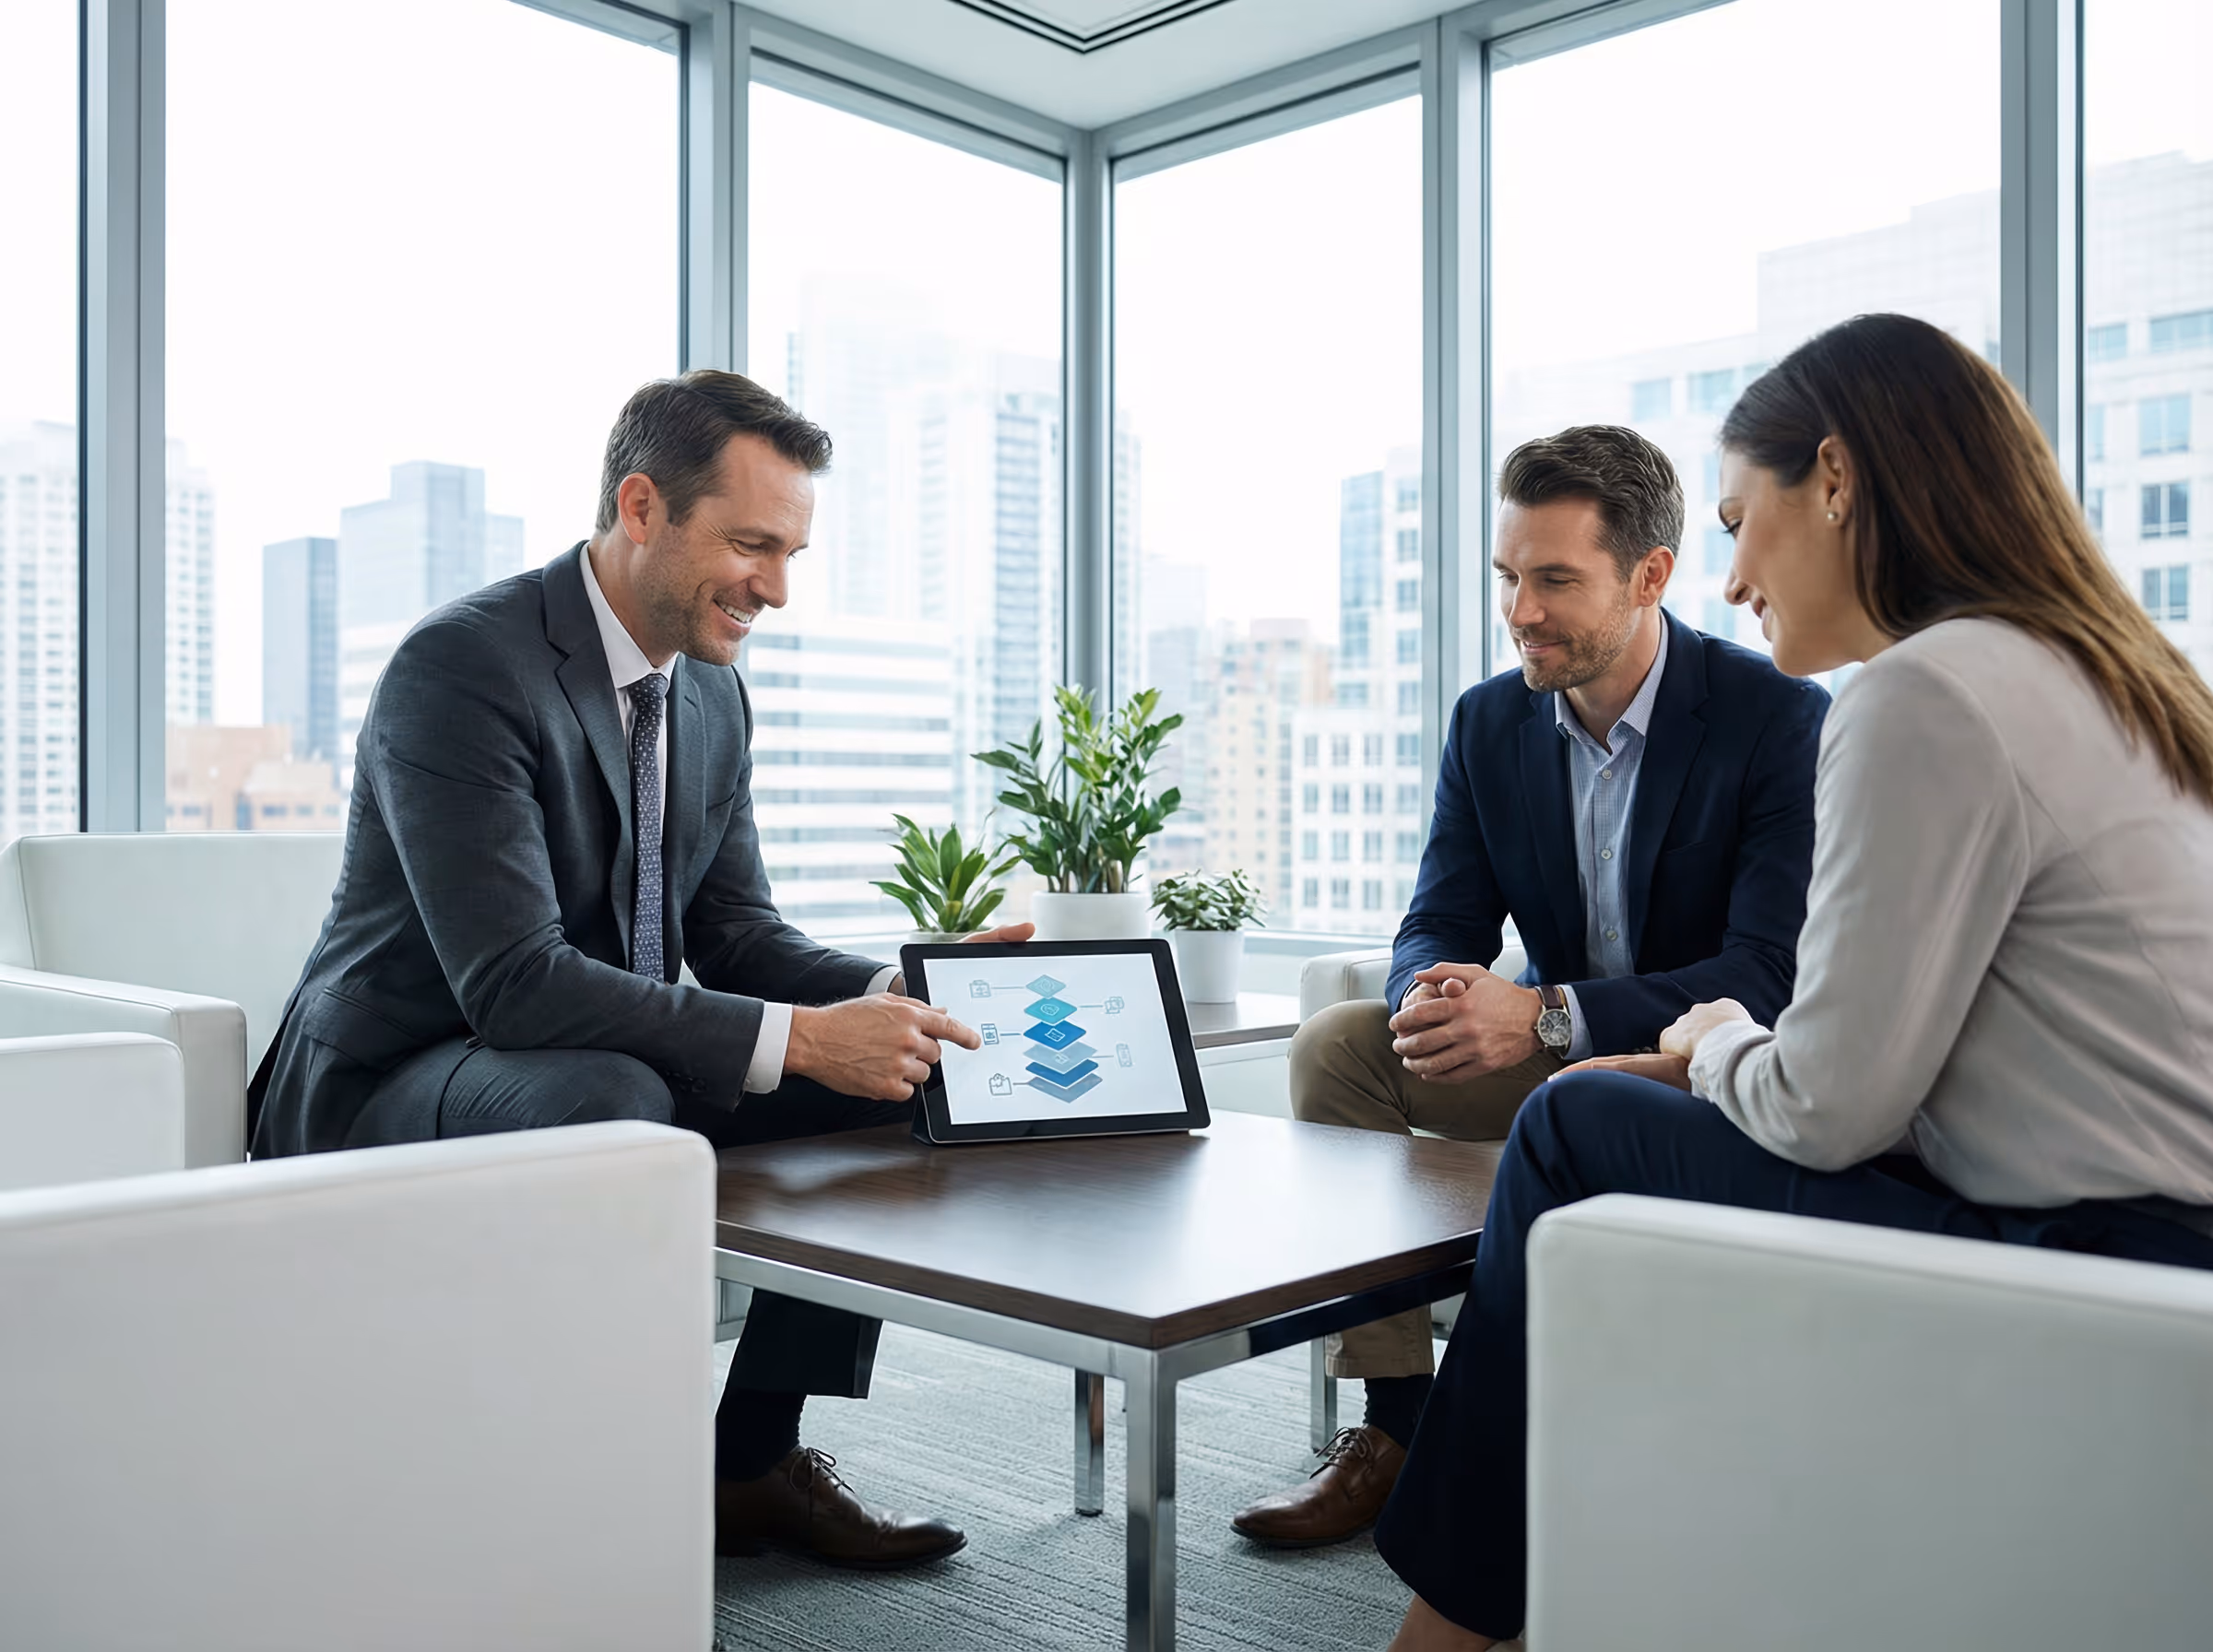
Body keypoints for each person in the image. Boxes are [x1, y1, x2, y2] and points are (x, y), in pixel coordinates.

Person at [1376, 313, 2213, 1651]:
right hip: (2157, 1225)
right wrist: (1710, 1055)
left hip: (2106, 1256)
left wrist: (1710, 1046)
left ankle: (1458, 1617)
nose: (1739, 573)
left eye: (1739, 520)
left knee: (1576, 1120)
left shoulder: (1921, 693)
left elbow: (1829, 1107)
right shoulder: (2106, 672)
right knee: (1598, 1094)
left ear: (1834, 480)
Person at [250, 370, 1033, 1571]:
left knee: (908, 1074)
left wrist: (892, 992)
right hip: (392, 1076)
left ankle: (749, 1461)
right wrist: (798, 1038)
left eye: (792, 553)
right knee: (619, 1101)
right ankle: (588, 1506)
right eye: (752, 545)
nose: (773, 587)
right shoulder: (463, 669)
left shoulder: (712, 687)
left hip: (605, 1053)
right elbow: (511, 982)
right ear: (641, 507)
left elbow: (737, 930)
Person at [1232, 424, 1828, 1549]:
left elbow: (1770, 974)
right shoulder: (1488, 719)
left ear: (1651, 575)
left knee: (1578, 1088)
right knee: (1342, 1045)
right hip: (1544, 1054)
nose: (1521, 612)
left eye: (1556, 579)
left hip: (1701, 1075)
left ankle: (1536, 1449)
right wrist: (1432, 991)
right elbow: (1440, 916)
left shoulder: (1777, 718)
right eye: (1510, 577)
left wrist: (1547, 1013)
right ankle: (1398, 1424)